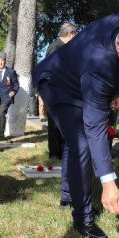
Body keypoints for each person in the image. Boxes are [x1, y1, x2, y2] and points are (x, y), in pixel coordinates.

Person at [34, 15, 119, 238]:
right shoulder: (99, 67)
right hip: (57, 84)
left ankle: (68, 195)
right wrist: (108, 181)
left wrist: (116, 90)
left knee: (75, 145)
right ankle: (83, 218)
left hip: (80, 75)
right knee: (81, 143)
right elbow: (95, 126)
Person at [43, 23, 76, 163]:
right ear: (70, 35)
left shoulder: (62, 46)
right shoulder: (56, 47)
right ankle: (55, 152)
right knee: (54, 124)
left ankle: (62, 151)